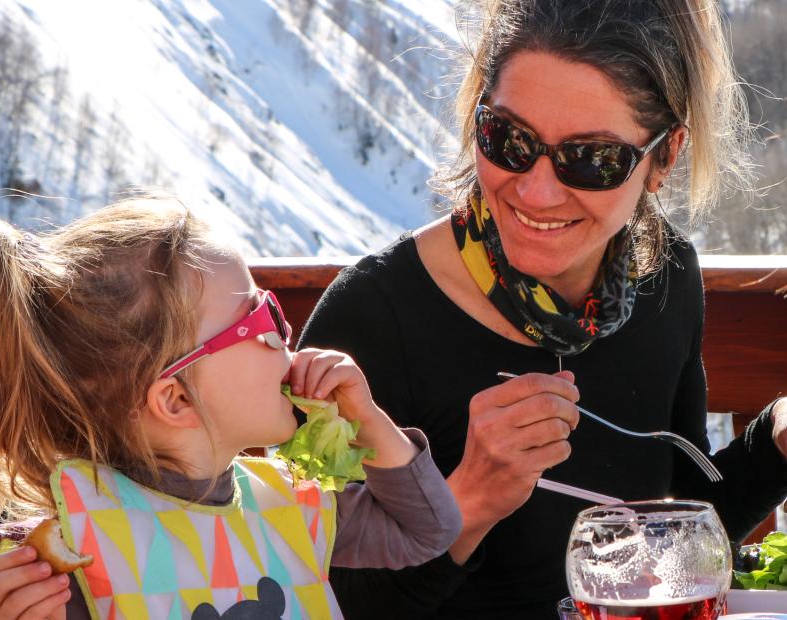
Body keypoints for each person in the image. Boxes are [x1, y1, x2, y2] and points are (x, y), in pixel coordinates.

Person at [297, 0, 787, 618]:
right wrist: (470, 499)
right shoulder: (371, 319)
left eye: (592, 159)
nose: (535, 190)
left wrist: (776, 444)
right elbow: (311, 595)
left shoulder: (665, 280)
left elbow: (679, 525)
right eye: (509, 139)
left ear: (664, 158)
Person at [0, 197, 461, 619]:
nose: (283, 329)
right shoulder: (75, 555)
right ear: (175, 398)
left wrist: (367, 419)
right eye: (257, 318)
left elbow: (428, 530)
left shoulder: (287, 505)